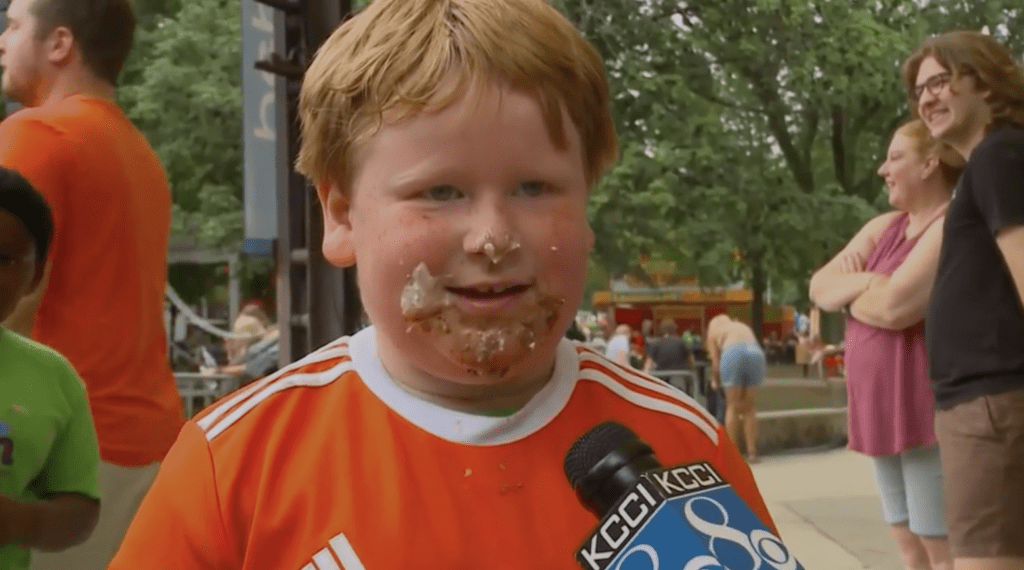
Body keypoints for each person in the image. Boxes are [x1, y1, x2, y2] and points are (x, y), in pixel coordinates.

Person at [109, 0, 778, 567]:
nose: (492, 235)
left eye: (534, 187)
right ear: (341, 213)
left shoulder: (689, 451)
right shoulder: (233, 467)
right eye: (441, 191)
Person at [0, 1, 183, 567]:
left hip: (49, 451)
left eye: (12, 24)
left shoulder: (35, 134)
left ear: (59, 43)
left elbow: (14, 302)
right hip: (148, 448)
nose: (1, 39)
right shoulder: (141, 157)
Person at [809, 118, 963, 570]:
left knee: (941, 549)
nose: (882, 169)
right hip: (878, 411)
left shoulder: (950, 221)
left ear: (930, 163)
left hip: (921, 411)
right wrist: (872, 282)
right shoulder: (884, 227)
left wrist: (852, 294)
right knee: (905, 544)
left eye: (895, 157)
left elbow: (898, 309)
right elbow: (820, 285)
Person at [904, 30, 1024, 570]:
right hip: (986, 406)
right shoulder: (992, 162)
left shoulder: (999, 153)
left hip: (992, 407)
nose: (926, 98)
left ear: (987, 82)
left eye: (941, 81)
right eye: (919, 89)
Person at [0, 168, 101, 570]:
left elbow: (79, 508)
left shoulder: (53, 377)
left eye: (3, 258)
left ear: (36, 274)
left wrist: (16, 521)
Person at [705, 314, 765, 463]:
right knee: (749, 407)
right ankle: (752, 452)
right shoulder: (741, 326)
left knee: (732, 406)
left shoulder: (713, 332)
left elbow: (715, 364)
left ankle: (734, 454)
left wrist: (716, 382)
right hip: (755, 353)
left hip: (732, 353)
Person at [644, 318, 694, 390]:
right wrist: (691, 370)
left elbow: (648, 364)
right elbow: (690, 359)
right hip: (679, 376)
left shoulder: (655, 343)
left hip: (661, 377)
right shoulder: (681, 342)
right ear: (674, 328)